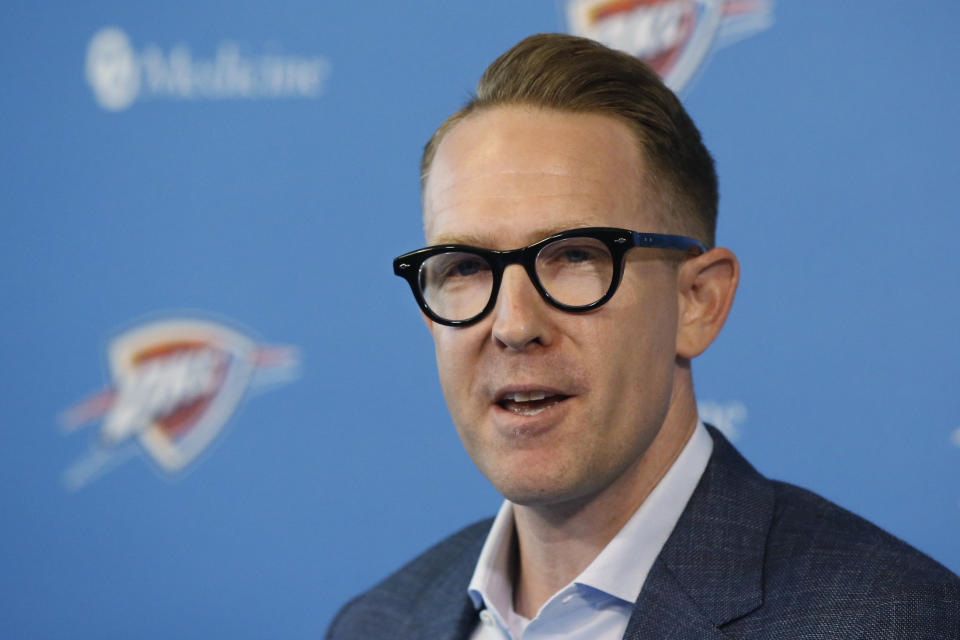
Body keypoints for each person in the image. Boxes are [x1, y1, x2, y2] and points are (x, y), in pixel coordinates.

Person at [327, 33, 960, 639]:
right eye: (465, 267)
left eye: (576, 256)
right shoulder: (378, 623)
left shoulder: (893, 623)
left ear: (697, 302)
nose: (515, 326)